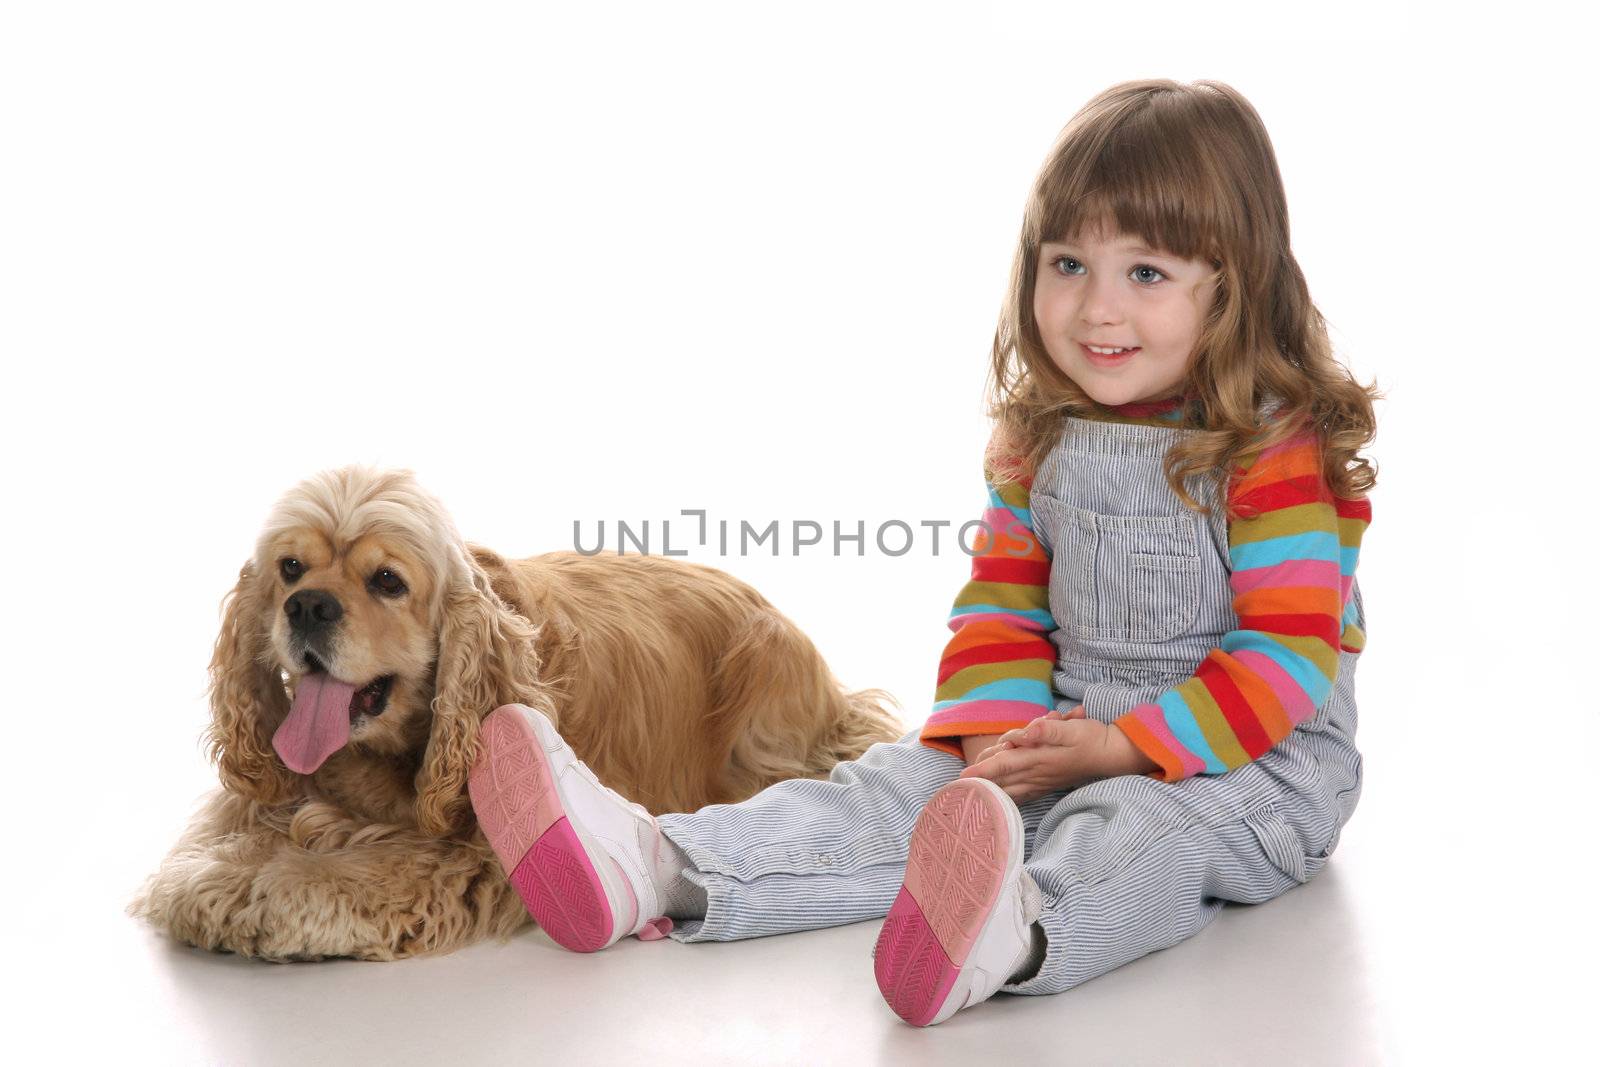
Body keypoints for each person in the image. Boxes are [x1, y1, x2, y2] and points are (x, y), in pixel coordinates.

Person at [467, 77, 1380, 1028]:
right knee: (900, 785)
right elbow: (1002, 607)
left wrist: (1124, 749)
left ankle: (1013, 926)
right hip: (1062, 732)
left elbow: (1289, 655)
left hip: (1250, 770)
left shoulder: (1273, 447)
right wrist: (994, 736)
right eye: (1068, 264)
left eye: (1146, 274)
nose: (1096, 310)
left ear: (1235, 287)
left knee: (1142, 830)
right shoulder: (1043, 435)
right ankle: (659, 867)